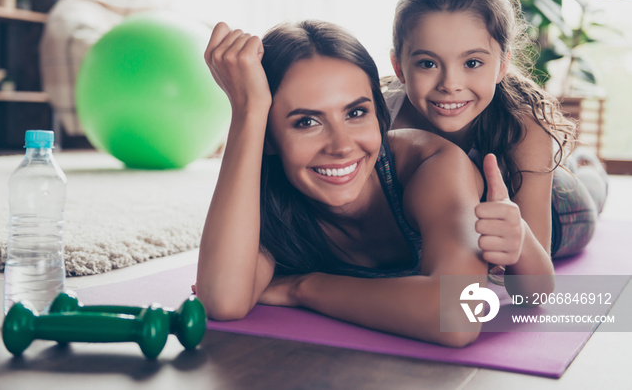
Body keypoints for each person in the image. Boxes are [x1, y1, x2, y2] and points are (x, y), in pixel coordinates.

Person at [196, 19, 489, 347]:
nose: (342, 146)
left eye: (355, 113)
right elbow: (223, 301)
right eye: (307, 122)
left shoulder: (431, 164)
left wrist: (303, 287)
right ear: (268, 137)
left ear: (379, 114)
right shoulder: (272, 196)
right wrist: (248, 110)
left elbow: (459, 314)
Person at [384, 0, 608, 289]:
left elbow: (535, 289)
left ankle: (588, 167)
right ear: (399, 67)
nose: (450, 83)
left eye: (472, 62)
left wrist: (519, 240)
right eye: (428, 63)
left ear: (502, 65)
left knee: (588, 184)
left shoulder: (525, 128)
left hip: (561, 207)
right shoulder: (377, 114)